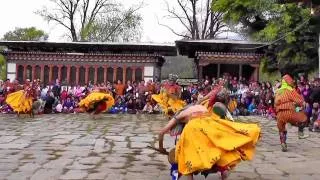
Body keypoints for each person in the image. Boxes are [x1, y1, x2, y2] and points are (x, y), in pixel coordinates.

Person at [157, 104, 261, 180]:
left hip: (194, 127)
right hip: (210, 123)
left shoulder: (181, 114)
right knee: (217, 147)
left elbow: (162, 132)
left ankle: (189, 176)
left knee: (185, 152)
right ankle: (223, 170)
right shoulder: (201, 107)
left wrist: (161, 148)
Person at [274, 74, 309, 152]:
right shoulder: (290, 90)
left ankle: (283, 142)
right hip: (290, 111)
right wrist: (302, 105)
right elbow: (299, 100)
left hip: (280, 113)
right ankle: (300, 132)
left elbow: (275, 104)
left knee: (281, 129)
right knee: (303, 117)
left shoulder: (278, 92)